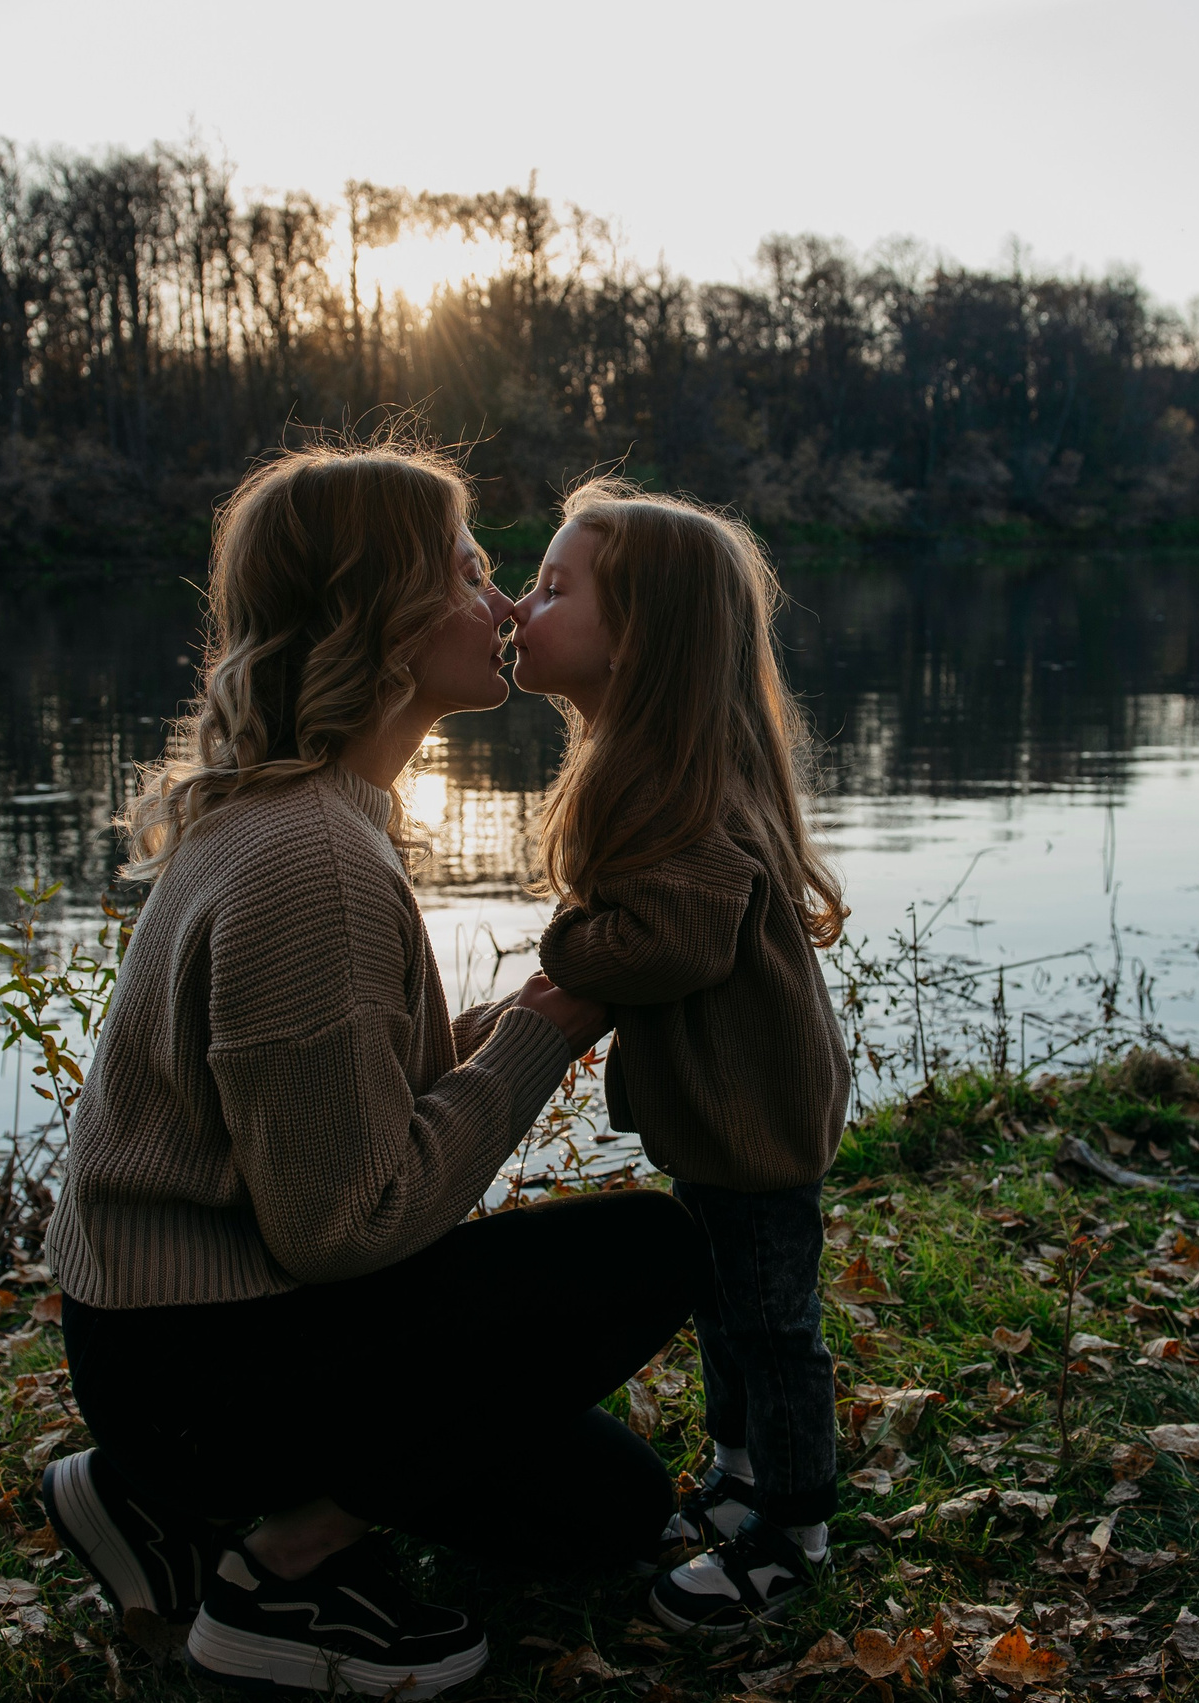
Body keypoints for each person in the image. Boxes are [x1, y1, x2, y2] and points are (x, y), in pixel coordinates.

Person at [37, 441, 703, 1699]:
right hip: (208, 1361)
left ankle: (145, 1500)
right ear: (377, 617)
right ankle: (278, 1579)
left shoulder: (300, 810)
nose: (505, 606)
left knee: (604, 1510)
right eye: (467, 570)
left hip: (173, 1351)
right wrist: (542, 1038)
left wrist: (509, 1018)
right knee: (648, 1253)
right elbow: (346, 1225)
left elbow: (329, 1102)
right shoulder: (309, 858)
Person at [506, 480, 851, 1630]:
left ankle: (791, 1526)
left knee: (768, 1319)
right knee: (725, 1303)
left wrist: (565, 938)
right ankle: (742, 1470)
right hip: (724, 1116)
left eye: (554, 588)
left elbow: (672, 943)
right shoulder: (662, 764)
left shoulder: (684, 789)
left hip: (753, 1123)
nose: (519, 604)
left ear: (639, 636)